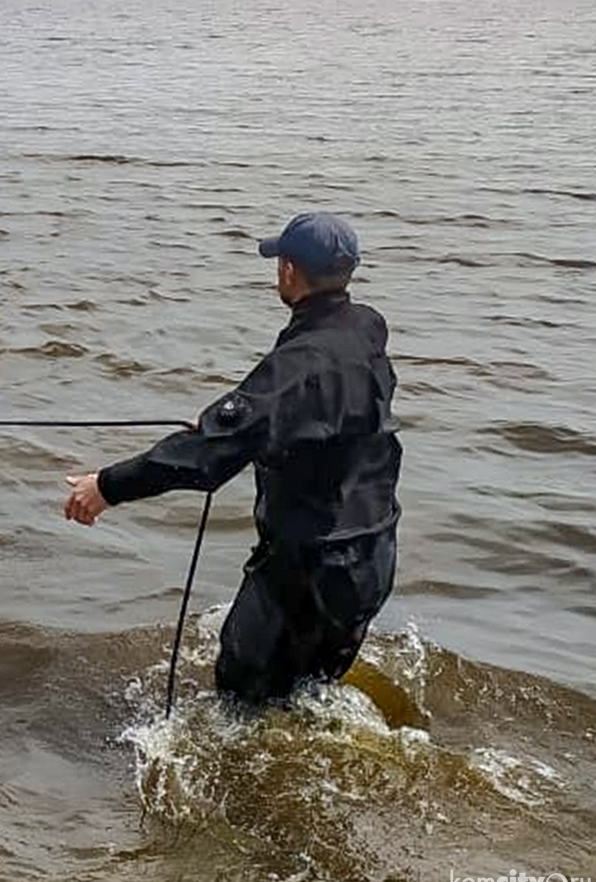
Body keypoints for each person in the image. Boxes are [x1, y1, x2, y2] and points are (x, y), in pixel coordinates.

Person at [62, 212, 402, 705]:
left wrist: (106, 487)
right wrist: (234, 422)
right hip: (374, 555)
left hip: (308, 568)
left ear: (288, 270)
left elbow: (207, 460)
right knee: (311, 694)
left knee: (242, 701)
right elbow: (305, 411)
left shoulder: (299, 363)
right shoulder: (367, 327)